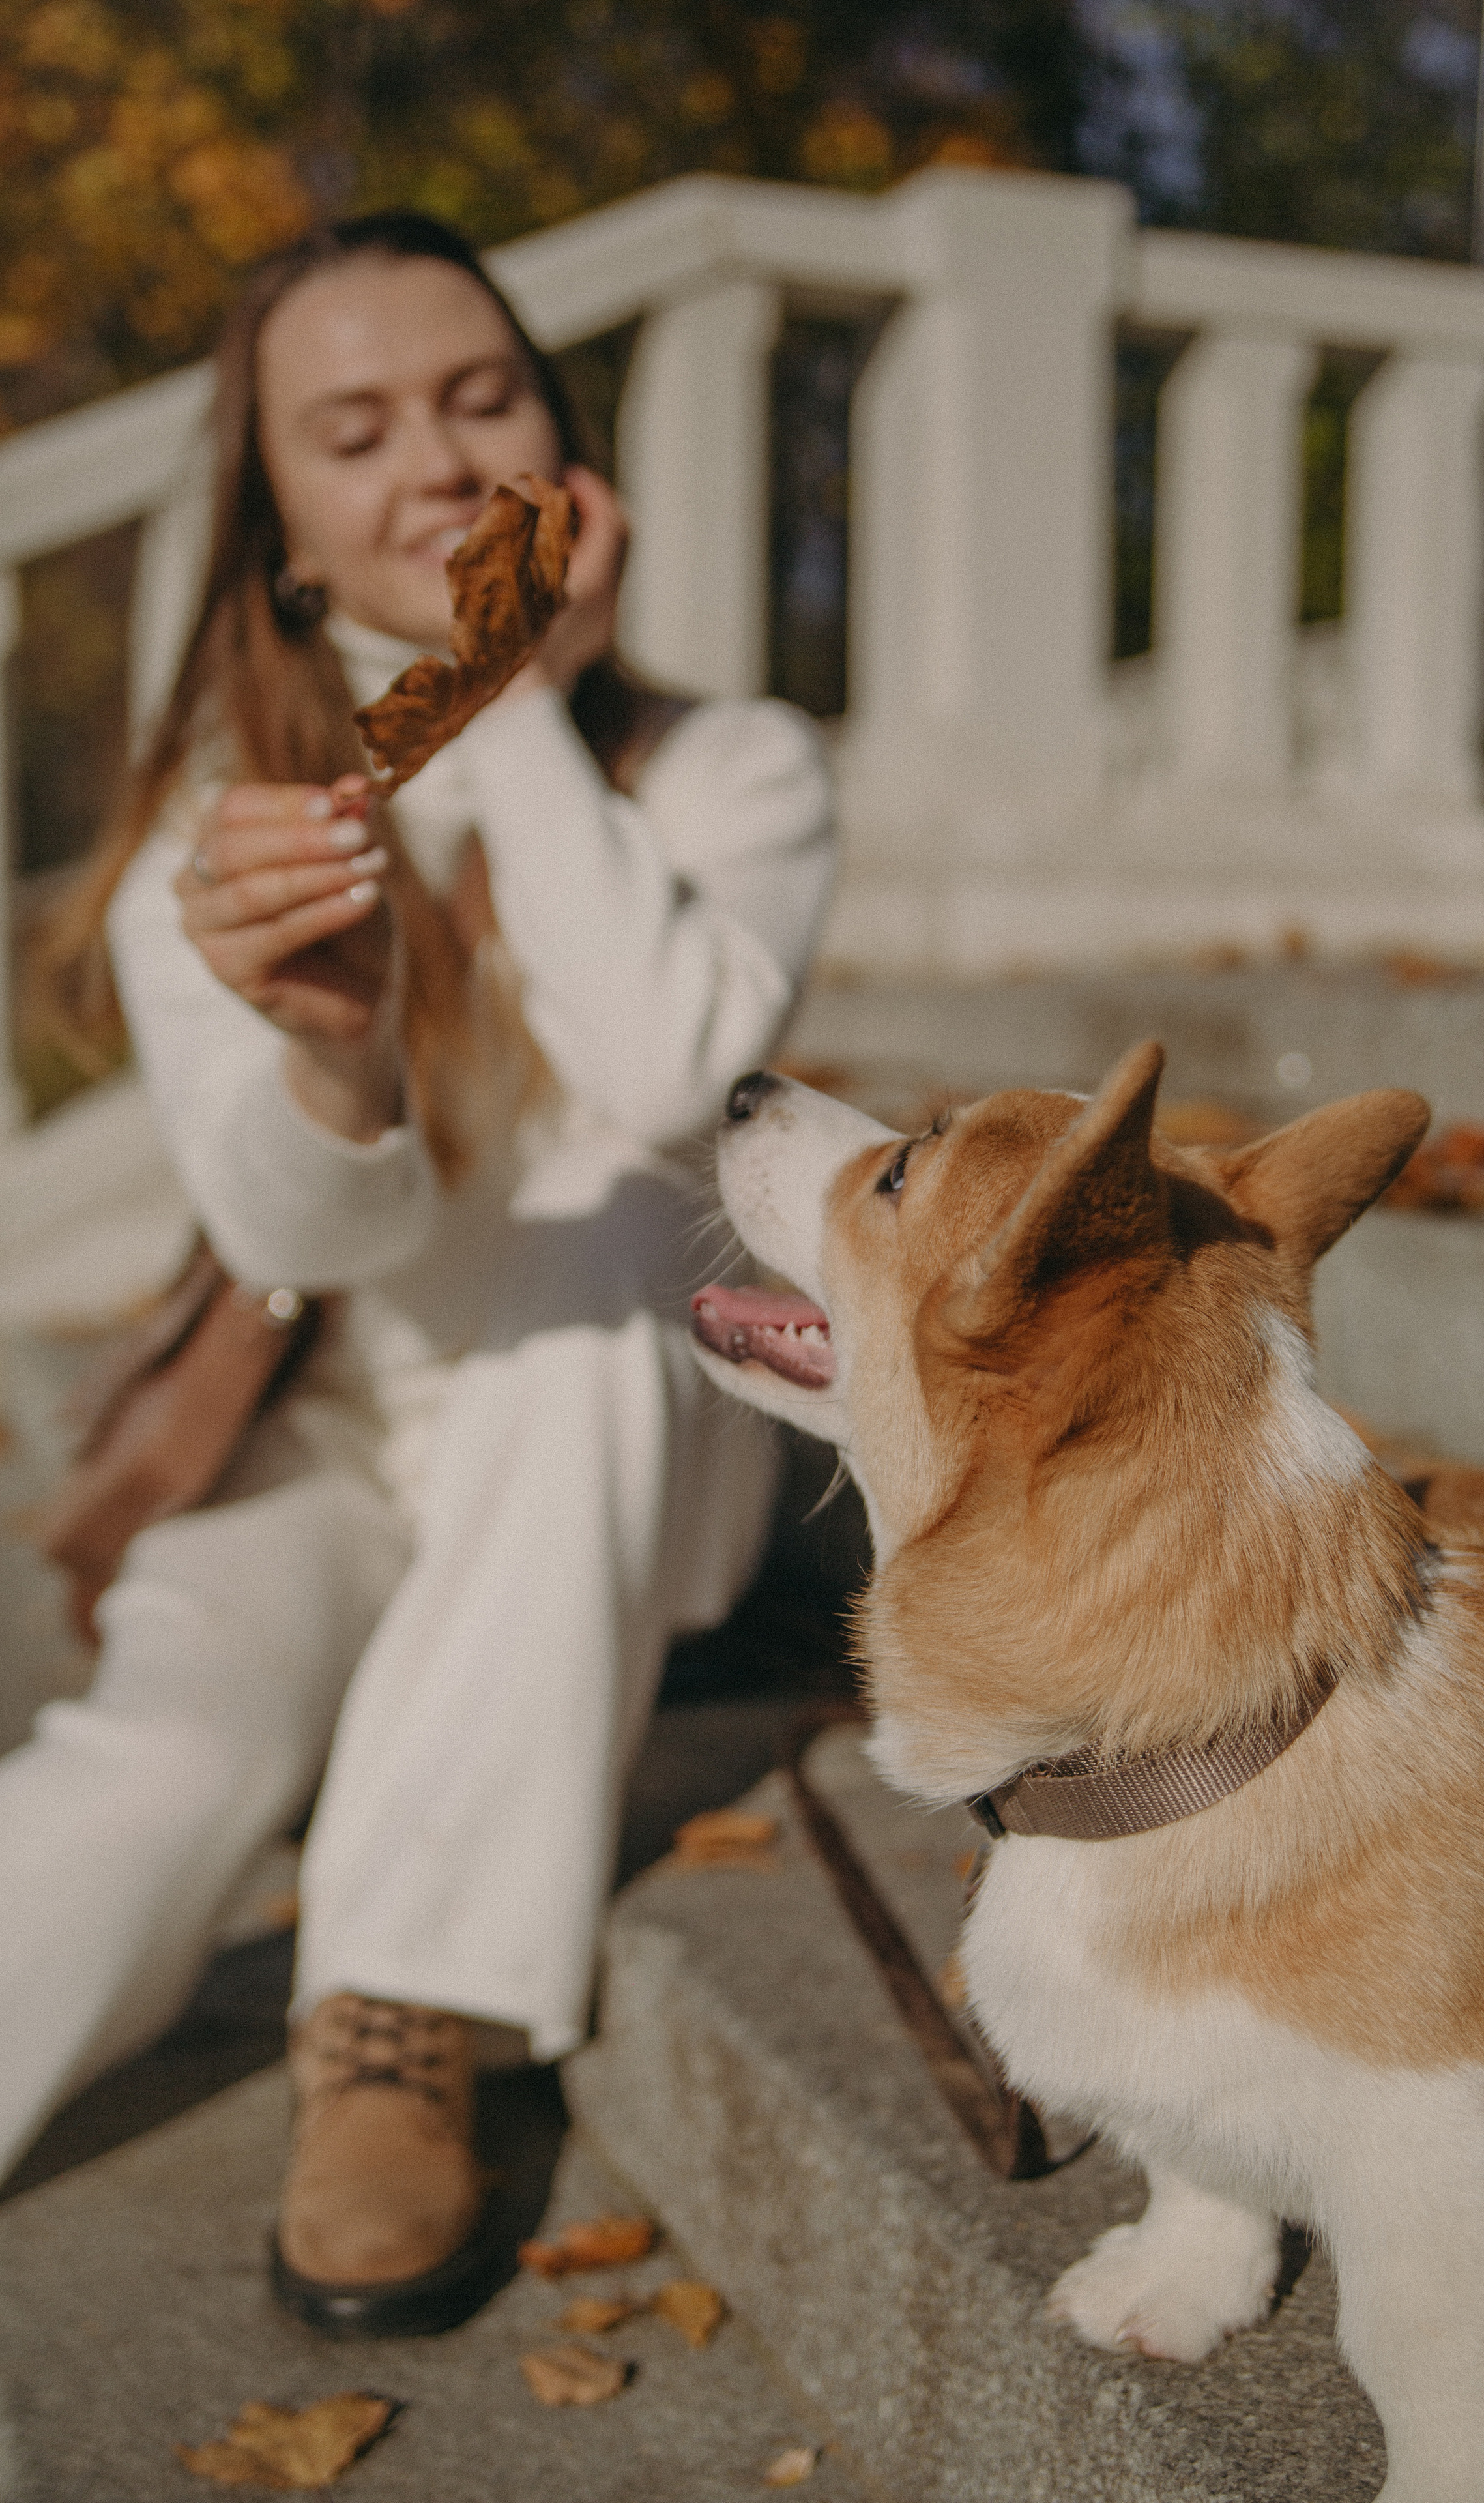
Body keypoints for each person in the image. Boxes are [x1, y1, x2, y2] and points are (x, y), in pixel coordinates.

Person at [1, 211, 836, 2332]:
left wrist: (513, 696)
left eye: (482, 401)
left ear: (565, 439)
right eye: (355, 431)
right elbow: (296, 1237)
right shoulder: (234, 830)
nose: (440, 462)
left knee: (602, 1246)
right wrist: (332, 1044)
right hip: (347, 1428)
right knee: (163, 1756)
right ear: (278, 524)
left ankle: (398, 2000)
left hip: (629, 1432)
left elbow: (666, 1077)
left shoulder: (729, 768)